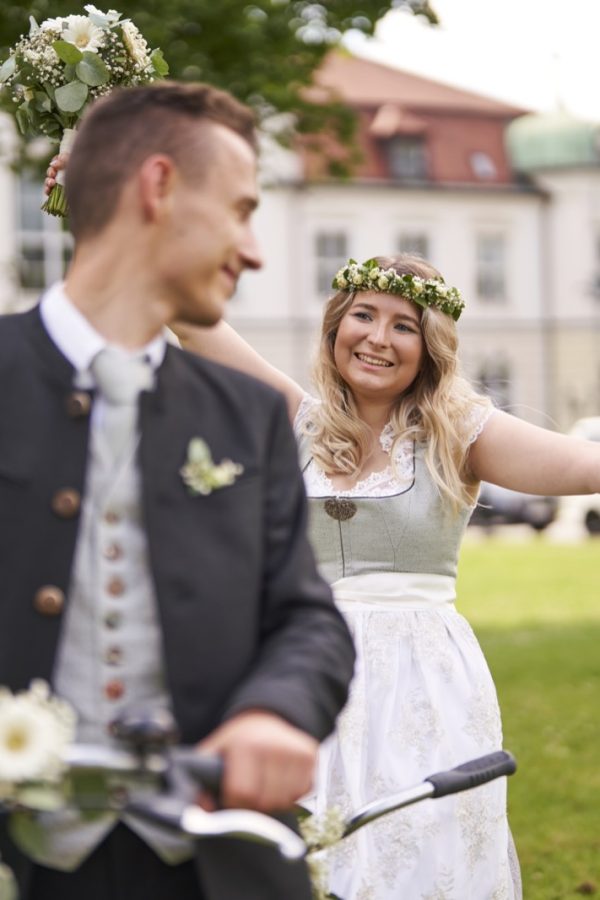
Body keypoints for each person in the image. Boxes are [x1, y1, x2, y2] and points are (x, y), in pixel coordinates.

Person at [0, 81, 356, 900]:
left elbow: (306, 617)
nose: (255, 248)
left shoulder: (250, 415)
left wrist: (275, 709)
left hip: (200, 863)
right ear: (158, 187)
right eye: (239, 209)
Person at [175, 252, 600, 899]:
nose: (377, 337)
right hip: (300, 668)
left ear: (428, 348)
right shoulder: (296, 420)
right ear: (334, 328)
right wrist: (93, 197)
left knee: (423, 852)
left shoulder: (459, 433)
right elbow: (189, 316)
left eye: (403, 325)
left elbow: (585, 465)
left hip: (424, 684)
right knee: (302, 851)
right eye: (363, 316)